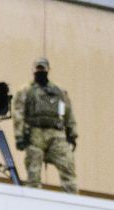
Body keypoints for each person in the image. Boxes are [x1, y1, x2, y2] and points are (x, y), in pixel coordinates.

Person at [16, 58, 77, 194]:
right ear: (33, 70)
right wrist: (19, 136)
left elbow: (67, 111)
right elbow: (19, 113)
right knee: (33, 172)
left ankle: (72, 201)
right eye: (38, 68)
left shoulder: (59, 91)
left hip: (57, 134)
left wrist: (72, 134)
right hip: (35, 133)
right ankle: (33, 199)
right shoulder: (26, 90)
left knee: (68, 168)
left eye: (43, 68)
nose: (40, 71)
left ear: (48, 69)